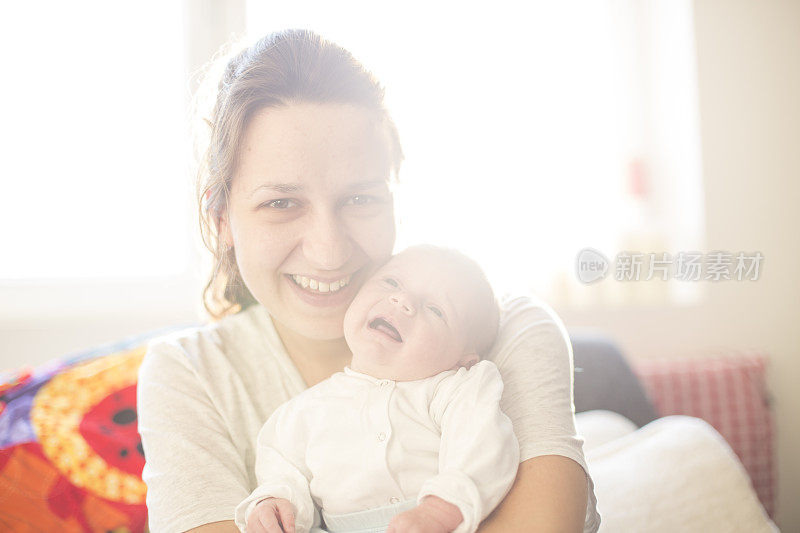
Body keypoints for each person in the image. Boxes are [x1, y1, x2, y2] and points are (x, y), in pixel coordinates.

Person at [136, 28, 601, 533]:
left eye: (360, 199)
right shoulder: (187, 373)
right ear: (222, 217)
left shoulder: (504, 326)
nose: (329, 250)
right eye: (280, 203)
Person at [235, 245, 519, 533]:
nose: (402, 300)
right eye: (391, 282)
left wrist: (440, 511)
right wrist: (276, 503)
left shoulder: (454, 391)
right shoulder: (306, 409)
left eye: (436, 309)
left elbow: (483, 447)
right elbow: (282, 468)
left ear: (465, 357)